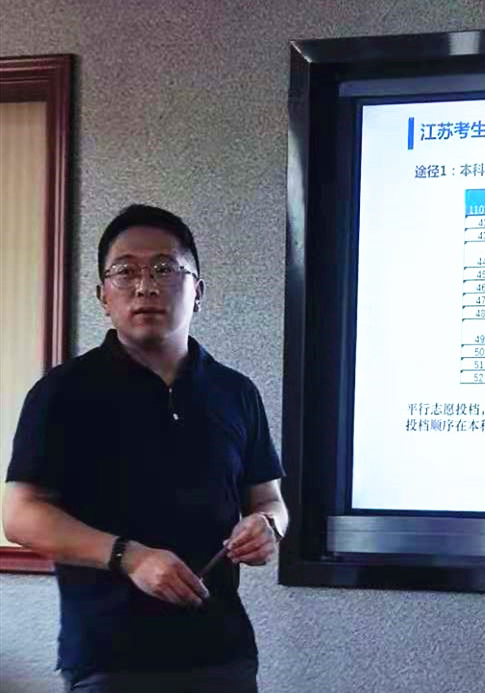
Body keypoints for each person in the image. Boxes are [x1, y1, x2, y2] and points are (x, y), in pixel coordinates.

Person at [3, 205, 287, 693]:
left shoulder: (236, 392)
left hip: (222, 656)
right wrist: (130, 557)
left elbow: (269, 500)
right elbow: (20, 515)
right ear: (103, 296)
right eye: (125, 271)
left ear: (198, 292)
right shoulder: (63, 392)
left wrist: (268, 527)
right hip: (111, 661)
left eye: (164, 269)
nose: (145, 286)